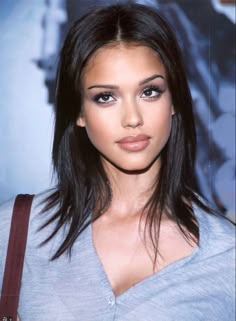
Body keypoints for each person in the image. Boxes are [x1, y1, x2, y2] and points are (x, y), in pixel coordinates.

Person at [0, 3, 235, 321]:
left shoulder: (227, 257)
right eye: (105, 97)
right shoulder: (14, 230)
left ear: (175, 99)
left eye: (150, 92)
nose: (133, 119)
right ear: (79, 112)